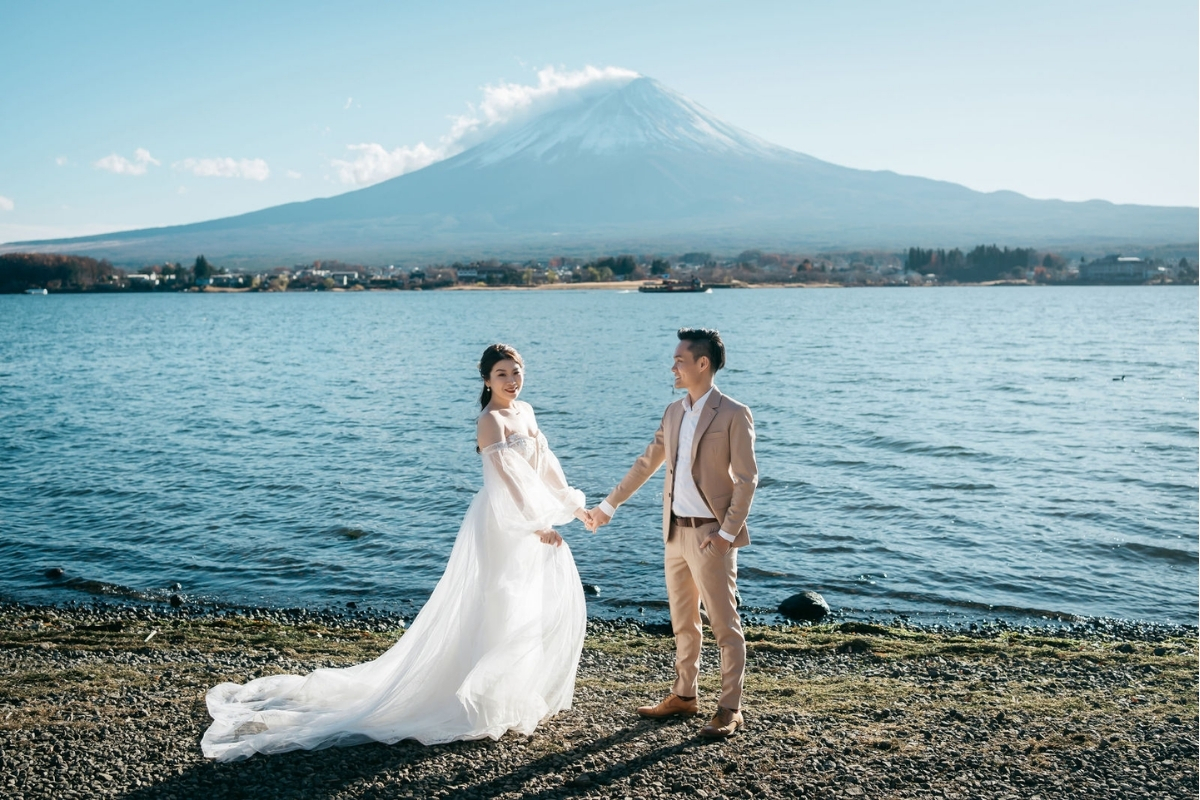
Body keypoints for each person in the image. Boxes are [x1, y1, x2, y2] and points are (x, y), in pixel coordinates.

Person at [202, 344, 590, 761]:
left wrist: (571, 504)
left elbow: (544, 462)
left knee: (523, 603)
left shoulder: (526, 410)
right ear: (486, 380)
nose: (512, 380)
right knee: (497, 600)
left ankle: (508, 693)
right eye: (502, 374)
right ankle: (473, 700)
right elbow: (511, 482)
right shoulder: (489, 421)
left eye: (516, 372)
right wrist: (537, 524)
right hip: (503, 522)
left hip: (527, 521)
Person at [586, 328, 757, 739]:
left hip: (710, 537)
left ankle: (730, 708)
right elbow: (647, 463)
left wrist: (725, 535)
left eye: (680, 359)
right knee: (683, 622)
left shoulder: (734, 413)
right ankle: (684, 695)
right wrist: (608, 506)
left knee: (724, 625)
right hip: (674, 534)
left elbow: (747, 480)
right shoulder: (673, 412)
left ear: (703, 363)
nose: (673, 366)